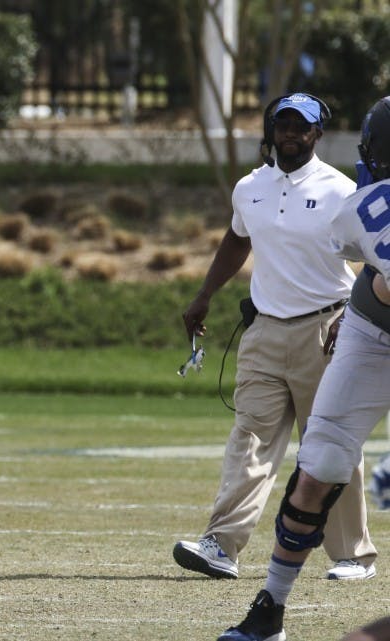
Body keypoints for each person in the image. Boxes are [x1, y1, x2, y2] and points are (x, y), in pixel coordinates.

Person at [173, 92, 378, 583]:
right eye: (282, 125)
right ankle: (221, 545)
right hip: (263, 331)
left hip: (327, 331)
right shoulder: (250, 188)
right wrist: (204, 296)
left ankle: (352, 556)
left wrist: (356, 318)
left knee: (330, 445)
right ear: (271, 130)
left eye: (300, 127)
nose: (290, 134)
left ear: (317, 135)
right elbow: (238, 237)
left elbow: (372, 257)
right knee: (249, 438)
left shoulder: (340, 190)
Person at [217, 96, 390, 641]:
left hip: (352, 320)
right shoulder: (359, 207)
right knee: (319, 460)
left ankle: (353, 558)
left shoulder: (347, 196)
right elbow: (373, 273)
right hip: (369, 325)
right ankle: (270, 607)